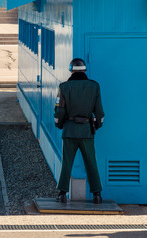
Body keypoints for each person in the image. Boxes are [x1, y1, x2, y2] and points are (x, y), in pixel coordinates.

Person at [53, 58, 104, 204]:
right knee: (91, 162)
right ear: (84, 70)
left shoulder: (64, 87)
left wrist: (59, 124)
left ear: (71, 70)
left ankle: (62, 194)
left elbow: (59, 110)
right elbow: (99, 111)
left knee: (67, 163)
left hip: (69, 131)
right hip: (87, 132)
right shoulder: (94, 86)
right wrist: (97, 126)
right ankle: (97, 195)